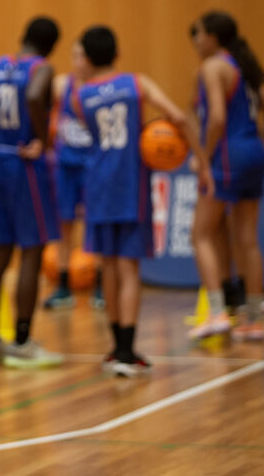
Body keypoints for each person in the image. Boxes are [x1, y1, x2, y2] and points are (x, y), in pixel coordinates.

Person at [73, 26, 212, 376]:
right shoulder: (137, 84)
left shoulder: (81, 96)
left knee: (108, 265)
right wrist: (199, 158)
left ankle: (114, 348)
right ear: (117, 54)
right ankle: (126, 350)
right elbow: (178, 118)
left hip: (98, 182)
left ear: (86, 59)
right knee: (129, 267)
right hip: (130, 182)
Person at [0, 16, 64, 368]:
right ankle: (21, 339)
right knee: (32, 252)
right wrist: (42, 139)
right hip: (25, 164)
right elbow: (35, 95)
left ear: (23, 37)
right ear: (51, 46)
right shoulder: (43, 68)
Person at [188, 11, 264, 340]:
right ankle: (253, 321)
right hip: (253, 151)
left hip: (228, 153)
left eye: (198, 34)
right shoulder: (245, 65)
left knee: (199, 234)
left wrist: (203, 157)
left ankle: (216, 313)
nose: (196, 41)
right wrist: (256, 145)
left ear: (213, 36)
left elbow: (215, 118)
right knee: (247, 239)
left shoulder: (213, 66)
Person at [42, 41, 106, 310]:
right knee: (64, 226)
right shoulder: (61, 85)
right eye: (75, 55)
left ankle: (101, 286)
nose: (78, 60)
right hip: (65, 166)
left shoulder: (103, 90)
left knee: (96, 225)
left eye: (82, 55)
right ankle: (63, 285)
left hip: (93, 166)